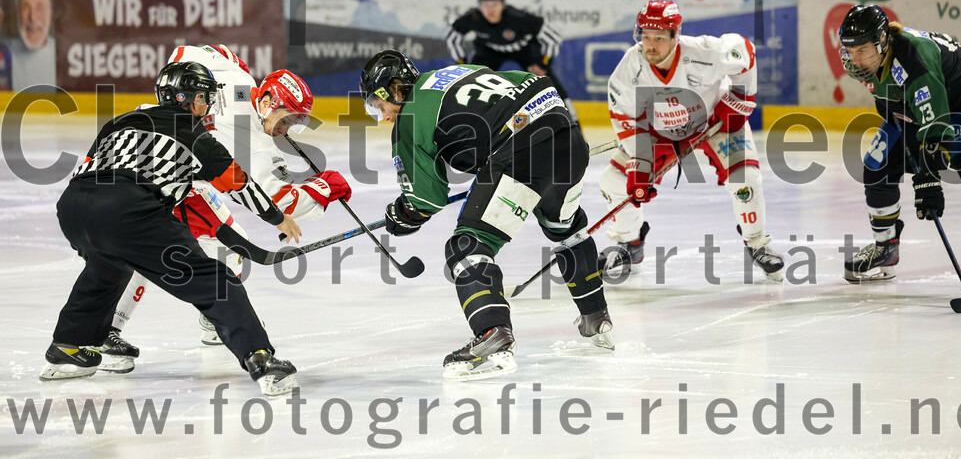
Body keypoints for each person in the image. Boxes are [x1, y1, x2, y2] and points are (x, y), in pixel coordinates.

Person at [43, 61, 300, 396]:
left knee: (106, 268)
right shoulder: (191, 131)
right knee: (215, 280)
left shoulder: (118, 121)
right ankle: (262, 360)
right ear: (188, 99)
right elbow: (235, 182)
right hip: (127, 208)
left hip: (74, 206)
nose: (207, 106)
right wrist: (277, 217)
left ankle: (68, 348)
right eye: (204, 98)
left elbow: (98, 166)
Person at [360, 50, 613, 380]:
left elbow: (426, 198)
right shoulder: (454, 73)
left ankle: (491, 334)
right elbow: (538, 83)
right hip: (568, 138)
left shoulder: (410, 115)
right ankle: (596, 318)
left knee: (466, 247)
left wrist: (404, 213)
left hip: (520, 153)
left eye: (378, 105)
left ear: (393, 89)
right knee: (567, 229)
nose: (384, 116)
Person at [102, 44, 352, 369]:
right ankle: (109, 331)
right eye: (287, 118)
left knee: (223, 253)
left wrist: (228, 58)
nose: (287, 129)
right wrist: (324, 188)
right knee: (149, 247)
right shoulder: (256, 144)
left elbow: (182, 52)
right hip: (163, 168)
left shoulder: (239, 78)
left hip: (143, 144)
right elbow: (280, 202)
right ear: (267, 102)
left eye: (296, 122)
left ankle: (210, 321)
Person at [838, 5, 961, 292]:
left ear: (883, 41)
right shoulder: (874, 61)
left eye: (862, 50)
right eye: (850, 50)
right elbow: (900, 104)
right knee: (877, 164)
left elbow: (935, 126)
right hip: (919, 106)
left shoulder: (914, 60)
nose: (855, 58)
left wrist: (927, 179)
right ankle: (886, 246)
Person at [599, 0, 784, 280]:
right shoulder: (629, 68)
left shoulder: (703, 52)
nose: (650, 45)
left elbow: (744, 51)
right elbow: (624, 119)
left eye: (659, 38)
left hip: (715, 122)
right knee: (614, 180)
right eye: (645, 36)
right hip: (660, 133)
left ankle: (757, 243)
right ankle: (630, 244)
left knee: (746, 178)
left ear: (675, 35)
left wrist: (741, 100)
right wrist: (640, 161)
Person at [445, 0, 576, 121]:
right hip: (489, 51)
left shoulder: (518, 18)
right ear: (479, 5)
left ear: (502, 3)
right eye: (485, 5)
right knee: (471, 82)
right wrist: (462, 66)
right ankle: (471, 122)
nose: (490, 10)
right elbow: (452, 38)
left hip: (523, 50)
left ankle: (572, 120)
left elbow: (553, 37)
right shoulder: (473, 18)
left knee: (549, 84)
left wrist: (543, 64)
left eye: (494, 4)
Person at [8, 0, 56, 90]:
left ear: (50, 13)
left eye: (39, 7)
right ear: (17, 14)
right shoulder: (5, 53)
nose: (33, 18)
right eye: (25, 8)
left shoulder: (64, 54)